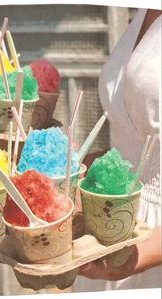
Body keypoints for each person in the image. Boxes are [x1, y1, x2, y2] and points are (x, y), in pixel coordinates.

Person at [73, 8, 161, 291]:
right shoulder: (142, 12)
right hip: (109, 230)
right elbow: (133, 152)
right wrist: (68, 169)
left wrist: (139, 256)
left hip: (149, 249)